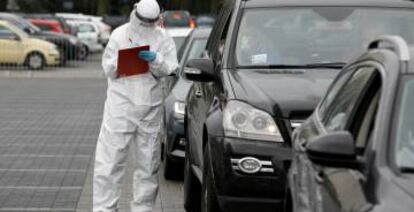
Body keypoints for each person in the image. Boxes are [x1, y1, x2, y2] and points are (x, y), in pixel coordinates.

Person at [93, 0, 178, 211]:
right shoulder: (119, 35)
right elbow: (108, 68)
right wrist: (126, 61)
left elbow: (171, 68)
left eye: (151, 21)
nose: (148, 25)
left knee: (148, 165)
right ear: (136, 13)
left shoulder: (163, 38)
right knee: (110, 162)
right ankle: (104, 208)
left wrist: (156, 60)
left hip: (149, 108)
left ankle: (143, 208)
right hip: (120, 107)